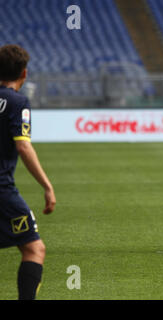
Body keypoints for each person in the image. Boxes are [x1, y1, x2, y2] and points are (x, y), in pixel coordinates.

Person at [0, 44, 56, 299]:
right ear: (24, 73)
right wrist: (47, 185)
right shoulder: (18, 102)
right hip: (2, 190)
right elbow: (23, 146)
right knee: (34, 248)